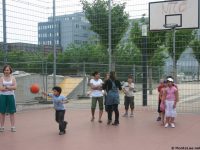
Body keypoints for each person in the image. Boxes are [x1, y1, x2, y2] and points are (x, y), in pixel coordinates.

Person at [0, 65, 17, 132]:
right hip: (2, 96)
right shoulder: (1, 78)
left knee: (11, 112)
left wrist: (6, 87)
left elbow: (15, 87)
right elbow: (1, 89)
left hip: (11, 96)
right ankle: (2, 127)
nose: (6, 71)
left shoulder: (13, 78)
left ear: (10, 71)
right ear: (3, 71)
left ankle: (13, 127)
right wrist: (10, 87)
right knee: (2, 112)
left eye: (8, 70)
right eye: (5, 70)